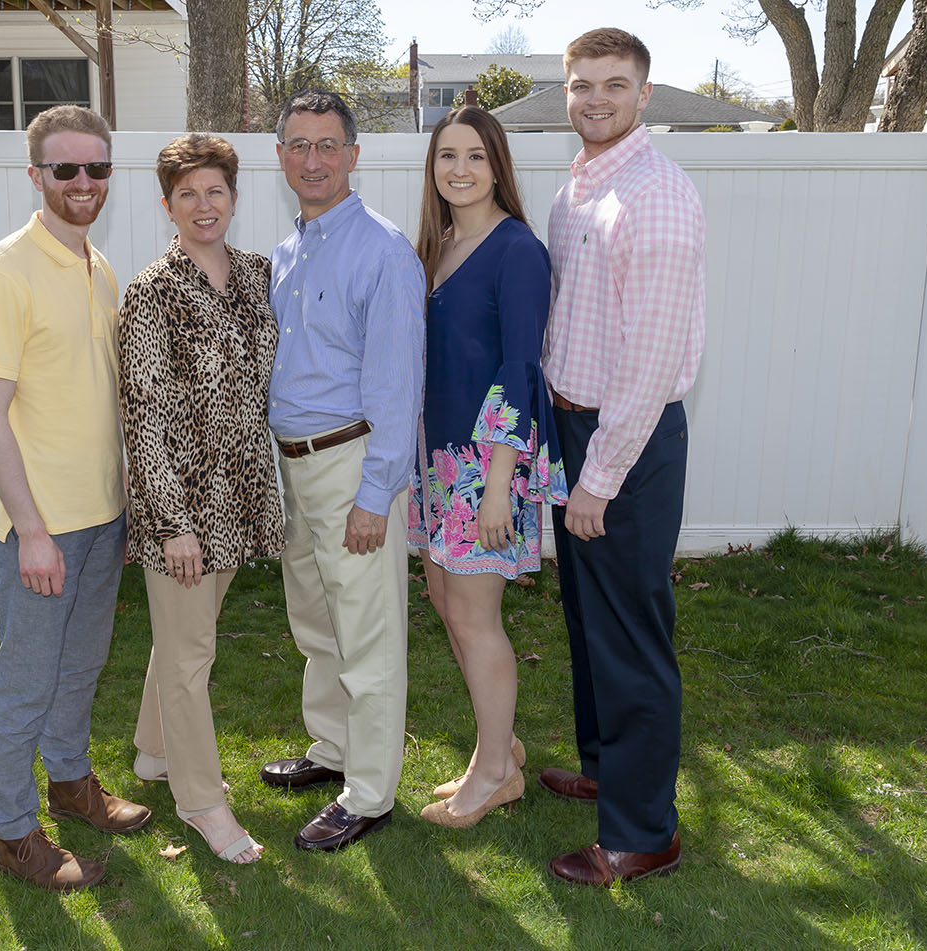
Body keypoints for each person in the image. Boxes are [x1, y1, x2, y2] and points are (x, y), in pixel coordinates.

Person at [0, 104, 151, 892]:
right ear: (34, 174)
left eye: (97, 167)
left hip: (102, 516)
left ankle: (71, 785)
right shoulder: (4, 273)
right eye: (65, 167)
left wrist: (126, 499)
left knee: (81, 666)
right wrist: (32, 530)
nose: (83, 181)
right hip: (39, 526)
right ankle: (11, 833)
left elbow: (100, 397)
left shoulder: (97, 266)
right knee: (27, 680)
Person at [540, 29, 706, 886]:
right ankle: (609, 768)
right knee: (588, 618)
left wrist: (598, 478)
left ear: (644, 95)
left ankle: (644, 833)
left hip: (626, 443)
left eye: (613, 84)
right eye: (582, 84)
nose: (595, 98)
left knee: (633, 635)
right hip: (577, 429)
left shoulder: (657, 195)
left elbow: (649, 360)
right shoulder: (578, 188)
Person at [261, 89, 426, 852]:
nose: (313, 160)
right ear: (281, 156)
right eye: (298, 145)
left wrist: (375, 495)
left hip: (354, 463)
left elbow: (397, 385)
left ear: (354, 155)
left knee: (367, 637)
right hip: (296, 468)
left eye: (328, 145)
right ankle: (332, 749)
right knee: (318, 626)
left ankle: (370, 794)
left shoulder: (383, 251)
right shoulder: (288, 253)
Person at [119, 134, 284, 865]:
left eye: (214, 190)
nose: (203, 204)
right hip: (182, 502)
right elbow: (143, 413)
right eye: (187, 194)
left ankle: (154, 751)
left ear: (234, 198)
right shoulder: (152, 291)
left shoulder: (256, 275)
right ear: (167, 206)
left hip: (242, 493)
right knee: (191, 657)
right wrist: (173, 525)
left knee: (186, 637)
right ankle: (200, 801)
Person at [407, 106, 566, 829]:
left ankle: (496, 774)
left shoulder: (517, 250)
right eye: (448, 155)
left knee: (476, 620)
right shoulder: (437, 246)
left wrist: (499, 485)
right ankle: (496, 749)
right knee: (448, 604)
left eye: (475, 155)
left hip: (485, 466)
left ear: (497, 165)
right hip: (438, 462)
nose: (460, 169)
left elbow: (520, 369)